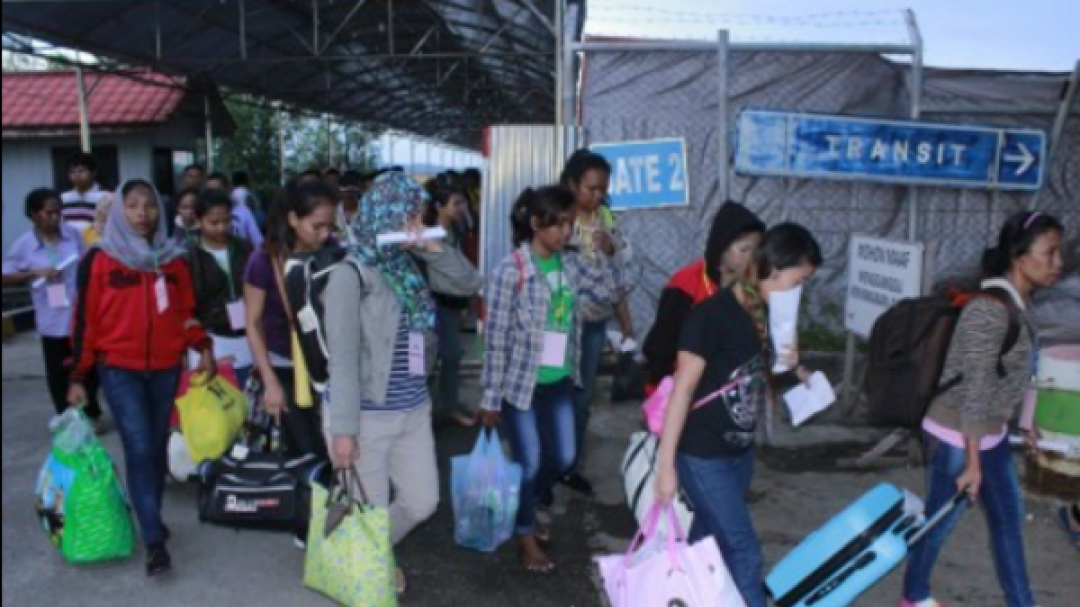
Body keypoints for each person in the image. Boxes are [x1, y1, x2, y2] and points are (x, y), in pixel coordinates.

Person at [900, 210, 1064, 607]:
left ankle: (1022, 602)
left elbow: (1014, 373)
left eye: (1060, 254)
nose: (1058, 263)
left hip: (987, 434)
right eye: (1050, 253)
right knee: (942, 522)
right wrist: (973, 463)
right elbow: (975, 388)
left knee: (1008, 522)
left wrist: (1025, 426)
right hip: (956, 435)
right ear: (1019, 256)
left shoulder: (1016, 304)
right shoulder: (988, 309)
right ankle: (913, 596)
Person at [654, 223, 823, 607]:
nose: (800, 291)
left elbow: (760, 376)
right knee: (744, 552)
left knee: (704, 542)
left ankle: (684, 598)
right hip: (702, 456)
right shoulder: (710, 316)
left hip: (739, 455)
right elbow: (682, 391)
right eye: (799, 280)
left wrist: (797, 370)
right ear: (774, 270)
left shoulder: (769, 314)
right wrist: (666, 466)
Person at [326, 172, 468, 596]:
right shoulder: (349, 276)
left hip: (412, 407)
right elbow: (344, 360)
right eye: (409, 214)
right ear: (383, 212)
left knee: (422, 502)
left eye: (418, 216)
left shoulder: (410, 265)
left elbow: (468, 283)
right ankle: (371, 565)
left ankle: (366, 550)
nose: (415, 223)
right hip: (366, 415)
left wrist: (432, 248)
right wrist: (344, 432)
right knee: (367, 512)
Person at [68, 179, 215, 577]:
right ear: (119, 211)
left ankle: (149, 514)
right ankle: (154, 541)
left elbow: (186, 312)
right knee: (138, 446)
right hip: (118, 368)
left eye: (149, 205)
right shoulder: (99, 260)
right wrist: (78, 375)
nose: (142, 214)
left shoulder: (173, 260)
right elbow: (84, 321)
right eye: (132, 206)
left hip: (166, 367)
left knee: (154, 448)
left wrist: (202, 347)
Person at [481, 185, 616, 573]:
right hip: (520, 385)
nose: (566, 232)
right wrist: (490, 398)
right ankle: (525, 536)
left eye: (570, 224)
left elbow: (607, 293)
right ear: (536, 224)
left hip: (559, 380)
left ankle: (521, 505)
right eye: (558, 225)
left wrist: (606, 256)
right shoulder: (512, 270)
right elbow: (496, 338)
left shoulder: (570, 264)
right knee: (530, 460)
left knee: (563, 457)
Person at [244, 181, 333, 526]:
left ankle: (321, 521)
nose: (325, 234)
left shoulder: (333, 252)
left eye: (330, 225)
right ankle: (307, 524)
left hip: (328, 367)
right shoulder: (263, 260)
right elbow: (252, 323)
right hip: (285, 366)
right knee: (307, 449)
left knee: (331, 446)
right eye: (317, 226)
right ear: (294, 219)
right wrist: (269, 381)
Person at [559, 149, 632, 495]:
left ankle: (570, 465)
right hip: (558, 323)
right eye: (591, 188)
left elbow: (619, 270)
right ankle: (548, 462)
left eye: (602, 189)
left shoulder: (605, 217)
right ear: (572, 184)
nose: (597, 195)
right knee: (552, 391)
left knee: (583, 395)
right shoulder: (555, 216)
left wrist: (612, 246)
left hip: (593, 322)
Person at [2, 188, 104, 431]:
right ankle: (66, 415)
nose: (55, 217)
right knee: (58, 371)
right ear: (33, 215)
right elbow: (5, 275)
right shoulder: (25, 244)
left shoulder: (73, 235)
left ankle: (91, 411)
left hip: (79, 314)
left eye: (58, 212)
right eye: (48, 213)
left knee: (88, 365)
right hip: (52, 317)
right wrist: (34, 273)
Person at [643, 201, 766, 391]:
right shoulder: (684, 286)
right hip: (682, 387)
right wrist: (661, 392)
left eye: (757, 249)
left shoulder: (753, 288)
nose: (752, 257)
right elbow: (661, 346)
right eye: (744, 249)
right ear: (721, 248)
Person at [421, 182, 481, 427]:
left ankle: (446, 406)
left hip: (450, 303)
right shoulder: (428, 237)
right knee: (432, 358)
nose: (461, 208)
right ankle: (428, 409)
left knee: (450, 356)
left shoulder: (452, 230)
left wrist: (464, 300)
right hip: (434, 303)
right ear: (438, 206)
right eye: (455, 203)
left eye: (461, 202)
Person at [186, 190, 255, 388]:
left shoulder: (244, 248)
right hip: (211, 339)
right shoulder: (189, 256)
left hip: (248, 336)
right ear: (198, 220)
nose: (222, 228)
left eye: (226, 221)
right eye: (214, 222)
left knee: (249, 406)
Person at [60, 152, 111, 237]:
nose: (76, 175)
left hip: (95, 244)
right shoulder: (63, 198)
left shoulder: (106, 197)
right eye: (72, 172)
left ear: (93, 172)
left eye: (81, 171)